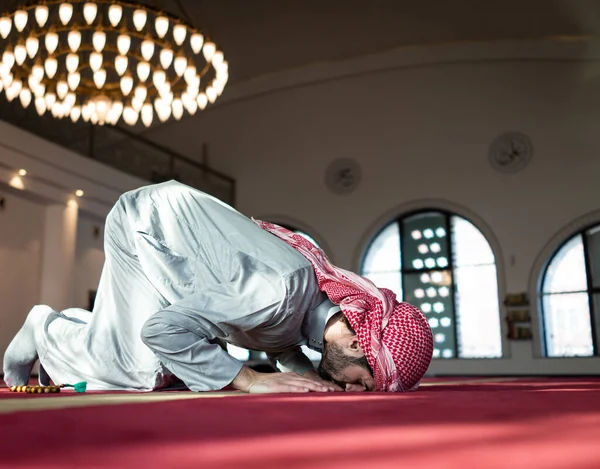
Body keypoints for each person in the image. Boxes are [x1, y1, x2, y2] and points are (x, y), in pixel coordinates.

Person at [3, 181, 433, 393]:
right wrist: (248, 380)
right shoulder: (279, 294)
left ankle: (86, 328)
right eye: (364, 382)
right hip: (147, 226)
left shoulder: (306, 305)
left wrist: (307, 380)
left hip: (171, 234)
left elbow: (280, 344)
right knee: (139, 369)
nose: (353, 390)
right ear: (358, 342)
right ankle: (45, 327)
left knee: (173, 374)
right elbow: (162, 330)